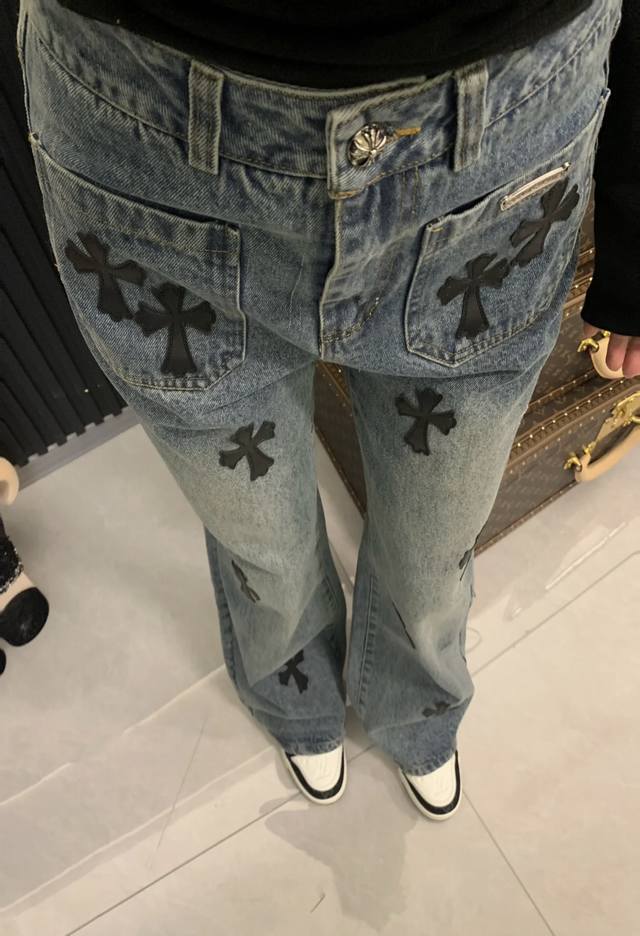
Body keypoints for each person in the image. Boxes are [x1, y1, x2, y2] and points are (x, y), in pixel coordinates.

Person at [15, 0, 636, 821]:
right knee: (258, 534)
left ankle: (416, 705)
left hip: (504, 134)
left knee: (436, 534)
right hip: (140, 114)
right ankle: (295, 690)